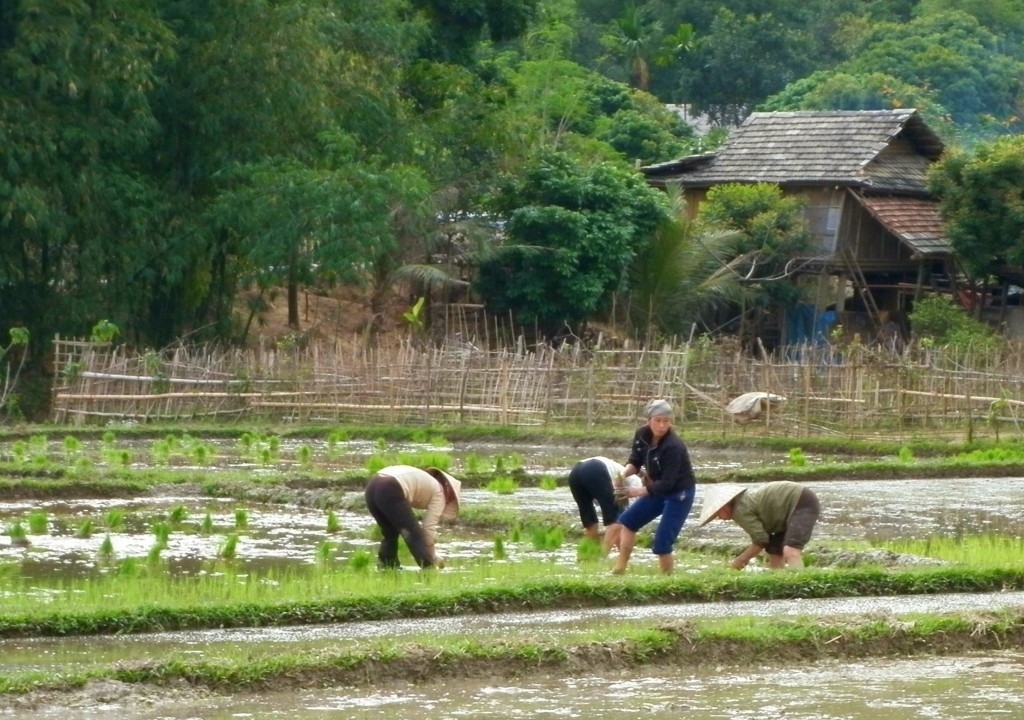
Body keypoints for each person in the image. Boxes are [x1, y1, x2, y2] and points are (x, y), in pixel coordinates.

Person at [607, 399, 697, 575]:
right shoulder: (641, 435)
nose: (662, 425)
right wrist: (622, 475)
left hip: (679, 493)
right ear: (648, 421)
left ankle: (667, 580)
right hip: (657, 488)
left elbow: (669, 483)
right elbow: (635, 461)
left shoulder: (674, 446)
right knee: (628, 521)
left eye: (666, 421)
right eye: (658, 420)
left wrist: (637, 491)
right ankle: (620, 568)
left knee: (662, 542)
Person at [697, 481, 820, 570]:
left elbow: (761, 539)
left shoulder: (739, 510)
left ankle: (799, 586)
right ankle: (779, 583)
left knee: (790, 551)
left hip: (801, 502)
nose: (720, 518)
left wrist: (741, 560)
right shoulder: (742, 503)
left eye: (718, 513)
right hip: (782, 515)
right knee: (774, 551)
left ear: (725, 506)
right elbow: (765, 538)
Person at [364, 465, 461, 569]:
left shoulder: (428, 482)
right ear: (450, 494)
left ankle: (387, 565)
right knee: (413, 534)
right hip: (391, 487)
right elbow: (429, 526)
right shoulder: (440, 493)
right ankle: (428, 569)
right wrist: (431, 553)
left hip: (373, 485)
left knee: (390, 532)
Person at [567, 456, 640, 547]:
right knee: (617, 517)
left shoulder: (619, 469)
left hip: (575, 472)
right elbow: (627, 517)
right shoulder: (636, 480)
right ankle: (602, 557)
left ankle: (587, 555)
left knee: (590, 520)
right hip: (595, 468)